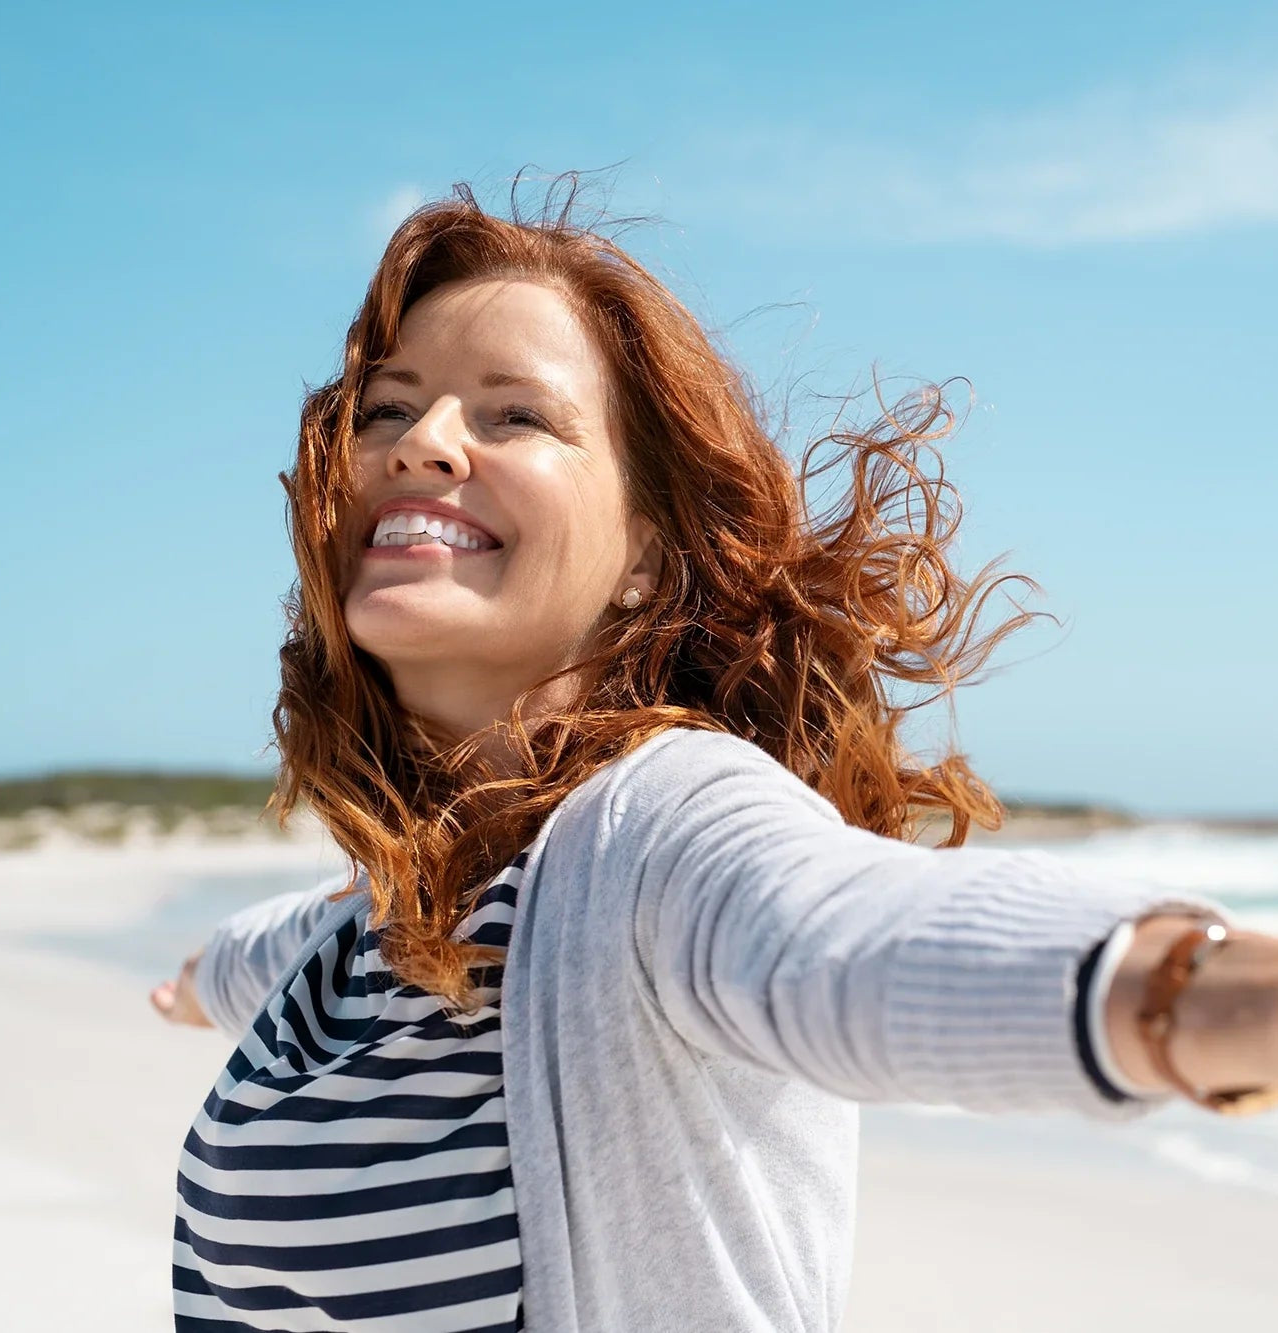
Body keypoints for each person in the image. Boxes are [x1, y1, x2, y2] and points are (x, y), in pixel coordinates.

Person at [151, 181, 1278, 1334]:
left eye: (511, 416)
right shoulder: (369, 923)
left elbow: (850, 937)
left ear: (644, 555)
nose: (423, 445)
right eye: (389, 409)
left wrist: (1188, 992)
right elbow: (270, 941)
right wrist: (194, 981)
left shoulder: (653, 836)